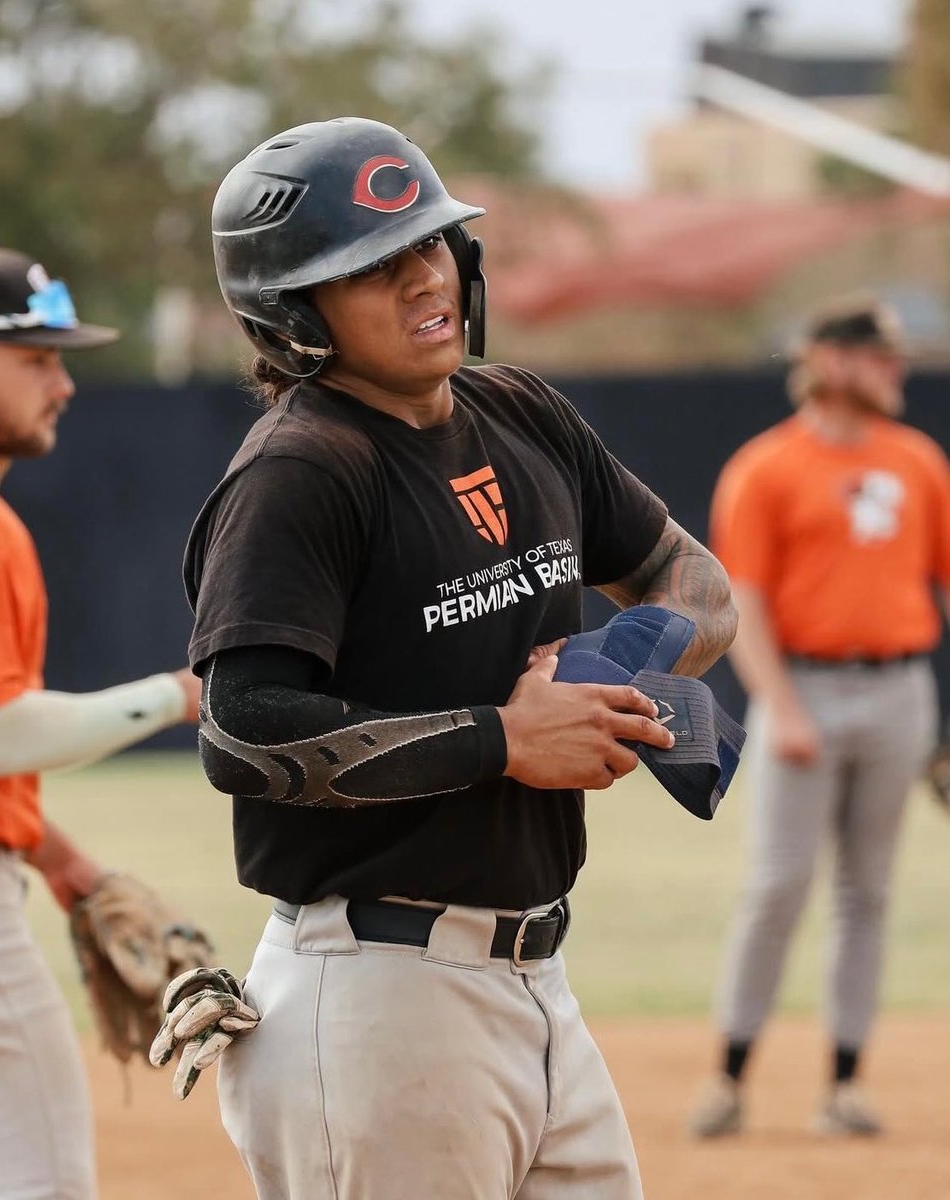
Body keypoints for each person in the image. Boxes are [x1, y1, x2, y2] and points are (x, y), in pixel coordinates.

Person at [180, 116, 736, 1200]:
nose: (422, 278)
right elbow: (242, 731)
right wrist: (503, 740)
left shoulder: (517, 409)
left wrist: (610, 665)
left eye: (429, 242)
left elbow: (696, 584)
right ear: (292, 315)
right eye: (371, 267)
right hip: (378, 1000)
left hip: (534, 983)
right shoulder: (302, 470)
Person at [689, 294, 950, 1139]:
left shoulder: (917, 462)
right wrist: (783, 708)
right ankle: (728, 1079)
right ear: (832, 362)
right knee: (776, 888)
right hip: (803, 690)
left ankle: (842, 1087)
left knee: (866, 893)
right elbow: (745, 604)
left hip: (901, 690)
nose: (895, 368)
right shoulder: (765, 468)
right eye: (879, 355)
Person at [0, 246, 202, 1199]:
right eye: (37, 360)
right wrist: (181, 696)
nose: (63, 386)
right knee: (41, 1181)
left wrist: (60, 861)